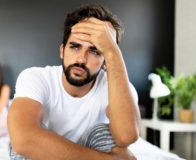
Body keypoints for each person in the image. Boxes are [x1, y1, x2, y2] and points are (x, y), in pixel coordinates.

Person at [8, 4, 140, 160]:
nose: (81, 59)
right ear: (62, 51)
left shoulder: (118, 87)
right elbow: (22, 140)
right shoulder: (36, 77)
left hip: (89, 148)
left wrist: (112, 52)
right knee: (21, 147)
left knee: (104, 135)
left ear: (105, 61)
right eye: (75, 47)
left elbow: (126, 136)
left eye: (94, 51)